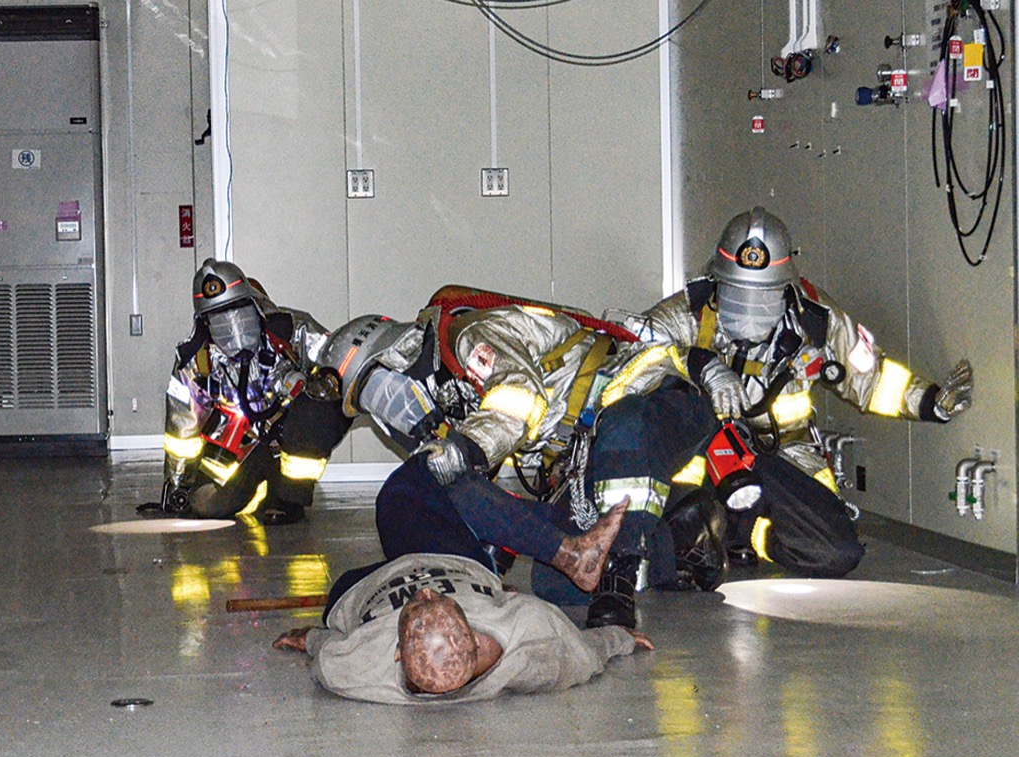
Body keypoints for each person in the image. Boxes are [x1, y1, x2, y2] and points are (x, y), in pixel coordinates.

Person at [284, 292, 732, 630]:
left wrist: (463, 449)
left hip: (655, 398)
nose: (385, 410)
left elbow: (518, 397)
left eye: (377, 391)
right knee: (554, 585)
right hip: (590, 449)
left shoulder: (469, 338)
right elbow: (475, 478)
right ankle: (680, 542)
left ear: (396, 356)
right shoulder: (450, 392)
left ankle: (619, 572)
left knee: (623, 425)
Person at [639, 207, 974, 574]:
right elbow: (630, 361)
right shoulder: (685, 313)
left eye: (764, 298)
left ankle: (745, 531)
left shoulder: (814, 316)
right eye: (737, 294)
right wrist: (699, 364)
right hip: (699, 455)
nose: (750, 313)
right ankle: (695, 527)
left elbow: (868, 375)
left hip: (781, 456)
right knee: (669, 542)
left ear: (786, 286)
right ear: (717, 280)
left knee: (836, 552)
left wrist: (931, 401)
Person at [272, 472, 652, 704]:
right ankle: (567, 548)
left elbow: (325, 648)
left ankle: (552, 540)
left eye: (421, 605)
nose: (426, 592)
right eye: (440, 601)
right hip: (452, 559)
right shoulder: (533, 639)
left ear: (397, 654)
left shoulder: (356, 668)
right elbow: (586, 652)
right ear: (471, 636)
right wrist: (619, 637)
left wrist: (307, 638)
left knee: (399, 492)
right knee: (441, 488)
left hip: (362, 587)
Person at [157, 259, 335, 524]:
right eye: (220, 321)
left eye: (240, 314)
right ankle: (257, 488)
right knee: (203, 504)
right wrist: (177, 484)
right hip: (237, 446)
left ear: (254, 304)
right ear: (205, 323)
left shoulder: (290, 330)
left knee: (312, 412)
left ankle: (289, 496)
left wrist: (315, 386)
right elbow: (181, 430)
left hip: (288, 436)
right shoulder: (196, 361)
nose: (233, 329)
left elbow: (335, 361)